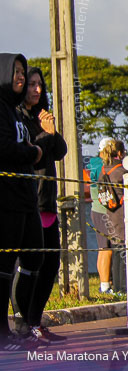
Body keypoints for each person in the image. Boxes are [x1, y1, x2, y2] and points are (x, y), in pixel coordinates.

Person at [17, 67, 68, 344]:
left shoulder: (42, 118)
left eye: (40, 84)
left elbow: (60, 152)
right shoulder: (17, 117)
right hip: (29, 201)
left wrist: (53, 131)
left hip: (48, 201)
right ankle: (24, 324)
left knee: (50, 264)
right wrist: (47, 135)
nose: (36, 89)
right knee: (30, 265)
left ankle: (35, 321)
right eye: (31, 84)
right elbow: (29, 153)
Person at [0, 54, 44, 351]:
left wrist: (33, 150)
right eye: (15, 71)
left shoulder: (15, 111)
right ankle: (3, 334)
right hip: (6, 199)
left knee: (35, 257)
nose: (20, 76)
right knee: (3, 266)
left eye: (22, 71)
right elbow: (4, 148)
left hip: (26, 198)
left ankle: (25, 321)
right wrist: (32, 154)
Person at [98, 140, 128, 291]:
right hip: (123, 214)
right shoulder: (122, 171)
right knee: (124, 251)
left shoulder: (104, 170)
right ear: (120, 153)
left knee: (116, 250)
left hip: (110, 212)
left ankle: (116, 287)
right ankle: (123, 288)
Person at [88, 137, 116, 296]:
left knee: (103, 248)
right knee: (106, 249)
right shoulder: (103, 165)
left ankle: (106, 283)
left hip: (96, 210)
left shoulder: (93, 164)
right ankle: (105, 285)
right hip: (103, 211)